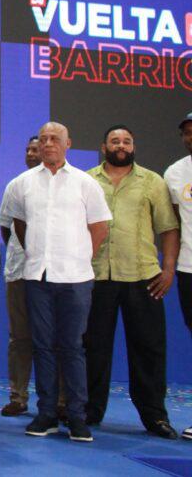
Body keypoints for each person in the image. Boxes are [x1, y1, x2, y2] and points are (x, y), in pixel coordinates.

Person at [0, 122, 111, 442]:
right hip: (38, 277)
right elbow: (17, 224)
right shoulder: (22, 184)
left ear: (68, 144)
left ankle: (76, 416)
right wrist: (36, 253)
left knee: (72, 347)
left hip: (75, 278)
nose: (48, 143)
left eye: (55, 139)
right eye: (44, 139)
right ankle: (46, 413)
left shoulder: (85, 183)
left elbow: (100, 227)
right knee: (43, 346)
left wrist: (79, 256)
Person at [84, 125, 179, 439]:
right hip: (97, 275)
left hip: (143, 276)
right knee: (93, 348)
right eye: (115, 141)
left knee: (148, 349)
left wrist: (168, 270)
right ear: (104, 147)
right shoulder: (87, 180)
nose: (121, 145)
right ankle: (89, 411)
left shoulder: (152, 181)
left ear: (133, 146)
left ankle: (155, 416)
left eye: (126, 141)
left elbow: (168, 228)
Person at [0, 136, 41, 417]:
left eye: (35, 149)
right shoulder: (16, 185)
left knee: (55, 340)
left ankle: (59, 401)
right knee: (20, 338)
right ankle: (18, 395)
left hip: (54, 274)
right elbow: (5, 226)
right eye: (28, 149)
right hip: (19, 271)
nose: (31, 153)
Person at [163, 111, 192, 441]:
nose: (191, 137)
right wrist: (170, 266)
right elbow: (172, 225)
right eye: (187, 132)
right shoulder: (174, 173)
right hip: (189, 268)